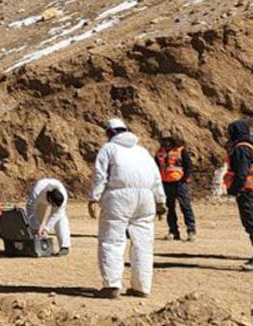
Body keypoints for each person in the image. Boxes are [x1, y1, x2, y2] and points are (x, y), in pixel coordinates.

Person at [88, 117, 165, 298]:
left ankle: (112, 285)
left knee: (112, 240)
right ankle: (141, 287)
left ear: (110, 132)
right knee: (143, 244)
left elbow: (100, 175)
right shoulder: (142, 151)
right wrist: (161, 201)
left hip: (118, 196)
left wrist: (94, 198)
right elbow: (156, 177)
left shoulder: (109, 149)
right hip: (146, 198)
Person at [224, 120, 253, 271]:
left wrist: (234, 189)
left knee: (252, 222)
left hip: (247, 190)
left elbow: (241, 173)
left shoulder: (242, 148)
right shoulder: (252, 145)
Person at [155, 129, 196, 241]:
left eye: (167, 140)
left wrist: (184, 178)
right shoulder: (159, 153)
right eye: (163, 140)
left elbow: (188, 166)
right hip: (165, 183)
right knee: (169, 208)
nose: (165, 143)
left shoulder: (180, 151)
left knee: (185, 207)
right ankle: (173, 231)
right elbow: (156, 168)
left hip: (179, 183)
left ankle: (191, 230)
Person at [25, 177, 70, 255]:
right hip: (39, 203)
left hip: (51, 202)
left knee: (61, 219)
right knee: (37, 225)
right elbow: (30, 208)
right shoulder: (38, 191)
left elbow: (55, 215)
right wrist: (37, 226)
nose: (53, 207)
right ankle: (35, 245)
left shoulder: (63, 198)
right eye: (53, 205)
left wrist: (46, 229)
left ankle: (64, 246)